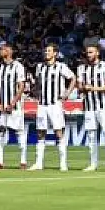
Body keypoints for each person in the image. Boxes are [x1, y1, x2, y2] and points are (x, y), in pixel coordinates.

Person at [30, 43, 75, 171]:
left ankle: (63, 163)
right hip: (42, 104)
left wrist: (67, 93)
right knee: (40, 133)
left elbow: (73, 78)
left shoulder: (61, 66)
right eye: (45, 51)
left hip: (55, 104)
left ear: (55, 53)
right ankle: (39, 163)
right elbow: (38, 83)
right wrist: (36, 92)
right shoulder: (40, 67)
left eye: (49, 51)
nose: (46, 53)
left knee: (58, 132)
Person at [77, 42, 105, 172]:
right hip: (89, 106)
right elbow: (80, 87)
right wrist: (83, 88)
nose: (89, 55)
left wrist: (93, 88)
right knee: (91, 136)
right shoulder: (82, 68)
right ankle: (93, 164)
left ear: (97, 53)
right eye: (87, 52)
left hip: (103, 106)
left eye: (91, 52)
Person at [0, 44, 28, 170]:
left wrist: (13, 102)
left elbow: (21, 86)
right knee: (0, 132)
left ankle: (23, 161)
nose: (0, 51)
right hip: (1, 107)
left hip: (15, 106)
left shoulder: (18, 66)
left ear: (9, 51)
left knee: (19, 132)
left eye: (2, 49)